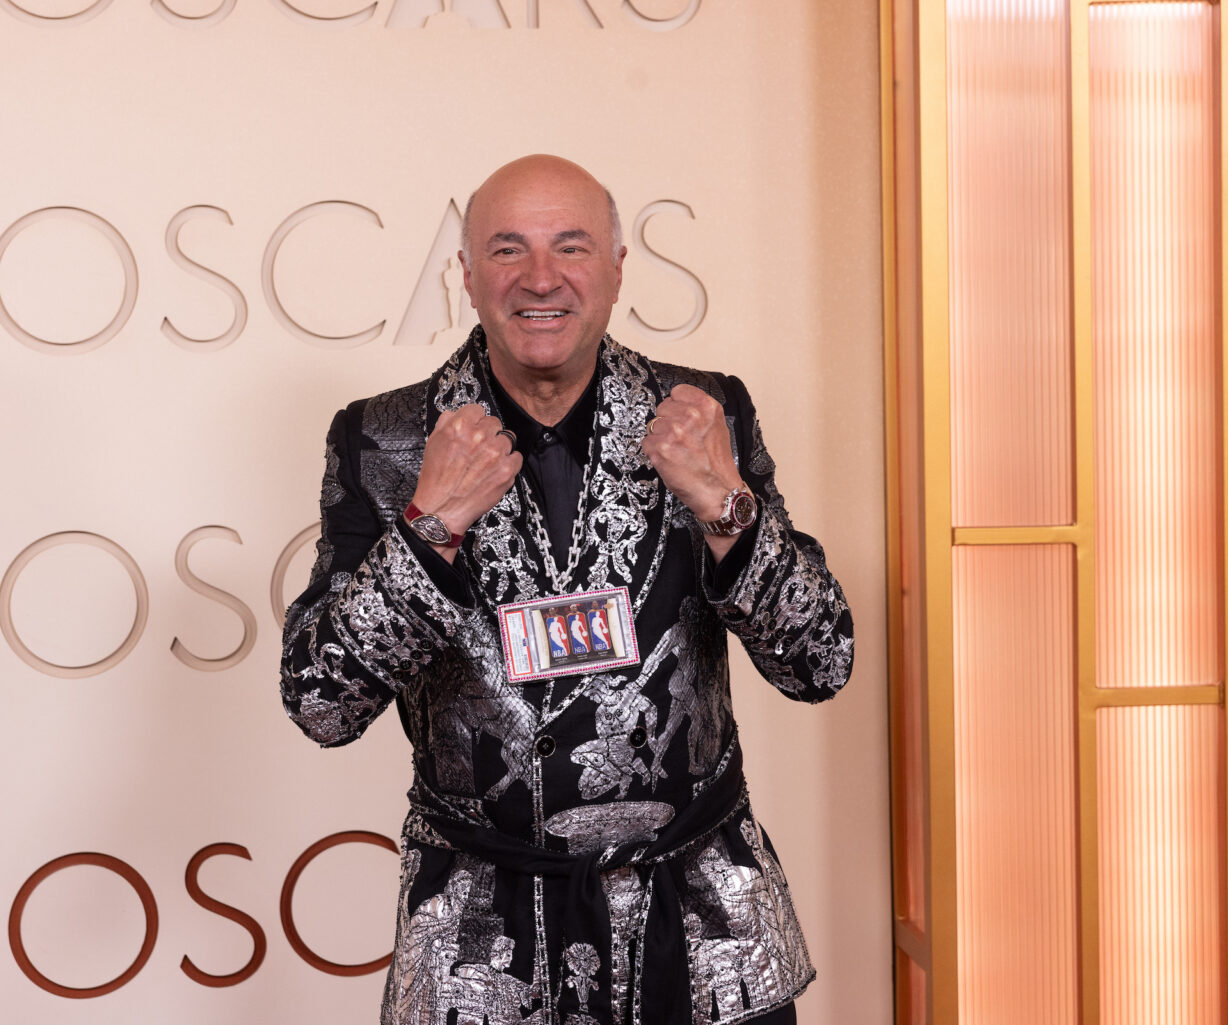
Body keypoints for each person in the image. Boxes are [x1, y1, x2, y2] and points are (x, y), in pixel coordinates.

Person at [280, 154, 853, 1025]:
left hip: (698, 923)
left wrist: (726, 508)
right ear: (466, 276)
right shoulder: (384, 438)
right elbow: (322, 704)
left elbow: (821, 661)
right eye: (507, 251)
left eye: (571, 247)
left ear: (617, 269)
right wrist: (429, 528)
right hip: (482, 936)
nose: (540, 279)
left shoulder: (708, 414)